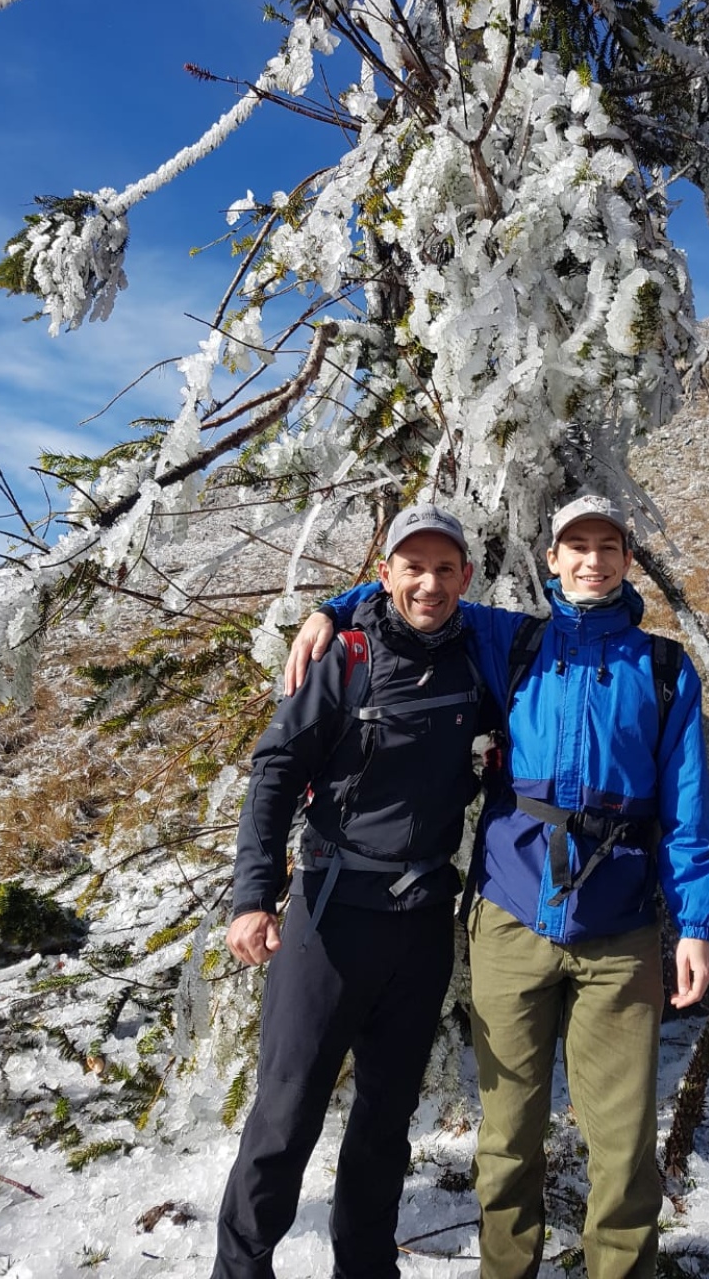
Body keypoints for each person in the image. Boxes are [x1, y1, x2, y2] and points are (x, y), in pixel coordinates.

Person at [287, 494, 709, 1279]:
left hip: (619, 931)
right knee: (506, 1137)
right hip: (511, 918)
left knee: (623, 1145)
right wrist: (332, 607)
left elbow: (688, 811)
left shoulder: (663, 669)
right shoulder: (511, 639)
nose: (592, 560)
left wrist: (694, 924)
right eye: (575, 546)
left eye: (608, 546)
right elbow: (420, 594)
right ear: (549, 560)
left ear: (627, 561)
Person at [212, 504, 497, 1279]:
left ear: (465, 578)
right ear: (386, 573)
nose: (429, 583)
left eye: (444, 568)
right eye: (413, 566)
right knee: (285, 1113)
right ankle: (239, 1271)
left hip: (421, 925)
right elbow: (274, 773)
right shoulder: (344, 657)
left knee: (385, 1120)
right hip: (329, 919)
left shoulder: (479, 656)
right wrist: (251, 896)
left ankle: (366, 1270)